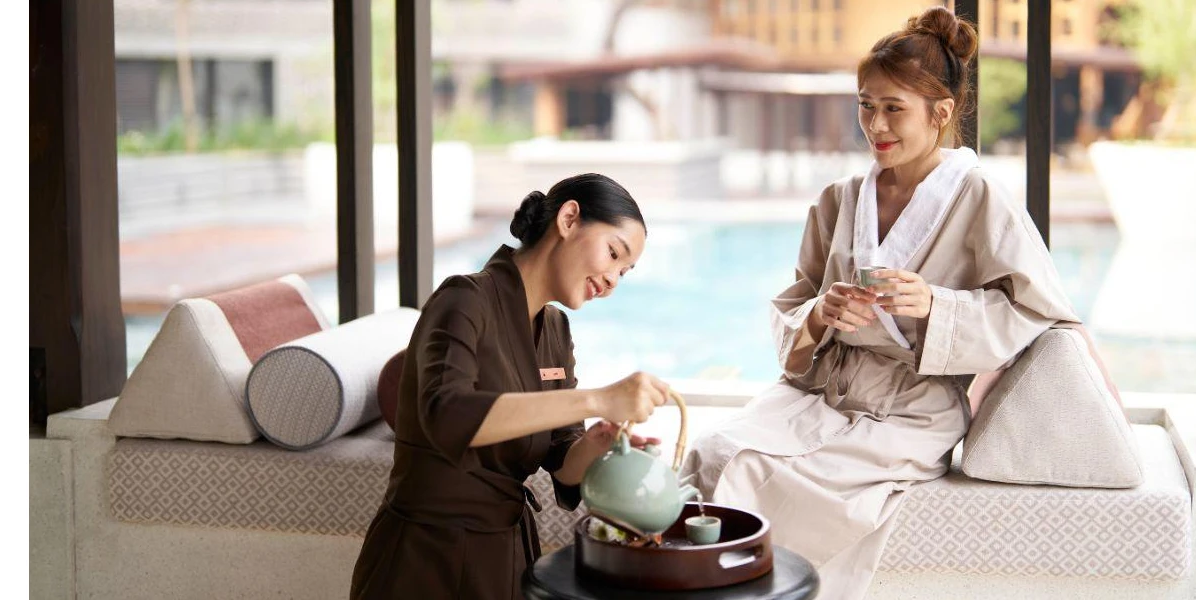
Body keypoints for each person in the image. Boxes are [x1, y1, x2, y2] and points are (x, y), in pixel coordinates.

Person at [680, 8, 1083, 598]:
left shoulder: (980, 198)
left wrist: (937, 306)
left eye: (895, 108)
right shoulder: (839, 198)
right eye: (866, 104)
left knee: (756, 474)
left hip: (911, 411)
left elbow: (1038, 311)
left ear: (941, 113)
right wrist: (822, 314)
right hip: (820, 391)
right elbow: (797, 297)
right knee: (712, 454)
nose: (876, 124)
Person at [351, 173, 672, 599]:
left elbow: (562, 459)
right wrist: (600, 398)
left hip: (506, 558)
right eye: (614, 253)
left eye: (624, 272)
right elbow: (446, 415)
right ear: (570, 219)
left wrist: (599, 441)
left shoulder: (556, 329)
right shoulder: (463, 300)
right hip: (426, 560)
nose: (613, 278)